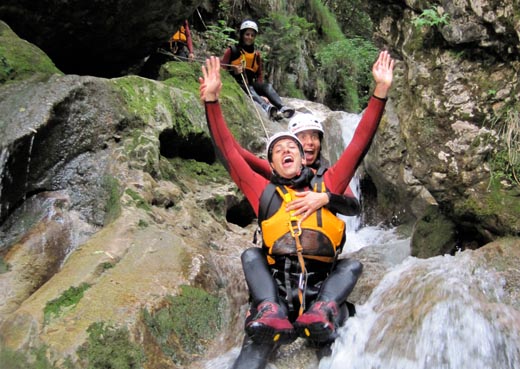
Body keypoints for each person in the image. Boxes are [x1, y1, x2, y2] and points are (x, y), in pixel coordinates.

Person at [200, 52, 394, 368]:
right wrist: (211, 101)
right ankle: (269, 311)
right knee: (253, 345)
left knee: (348, 275)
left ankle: (325, 312)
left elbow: (359, 144)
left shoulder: (329, 182)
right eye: (278, 149)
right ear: (271, 164)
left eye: (293, 146)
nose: (287, 149)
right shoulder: (263, 191)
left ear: (304, 158)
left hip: (320, 295)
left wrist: (380, 92)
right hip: (276, 295)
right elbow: (228, 153)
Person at [221, 19, 295, 120]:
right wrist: (233, 70)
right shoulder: (232, 51)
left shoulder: (256, 55)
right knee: (249, 88)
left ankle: (282, 107)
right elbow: (222, 70)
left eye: (252, 35)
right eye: (247, 34)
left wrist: (263, 95)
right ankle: (266, 107)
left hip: (250, 84)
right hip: (237, 84)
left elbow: (259, 75)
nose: (249, 37)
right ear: (242, 35)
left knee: (266, 86)